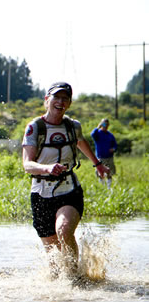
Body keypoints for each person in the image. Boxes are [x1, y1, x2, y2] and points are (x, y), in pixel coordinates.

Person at [21, 82, 110, 278]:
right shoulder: (35, 127)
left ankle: (74, 279)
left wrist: (98, 164)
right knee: (53, 258)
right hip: (40, 193)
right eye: (56, 97)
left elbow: (80, 142)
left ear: (69, 103)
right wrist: (46, 168)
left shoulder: (72, 126)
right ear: (47, 100)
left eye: (65, 98)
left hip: (69, 190)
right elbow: (27, 164)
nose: (60, 102)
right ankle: (61, 292)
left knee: (63, 229)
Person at [91, 118, 117, 188]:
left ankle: (109, 187)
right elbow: (92, 134)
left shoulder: (110, 135)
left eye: (107, 124)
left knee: (110, 172)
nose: (106, 126)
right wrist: (98, 126)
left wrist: (113, 149)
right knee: (100, 173)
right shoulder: (98, 134)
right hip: (100, 157)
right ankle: (102, 186)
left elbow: (115, 145)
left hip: (109, 157)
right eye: (104, 124)